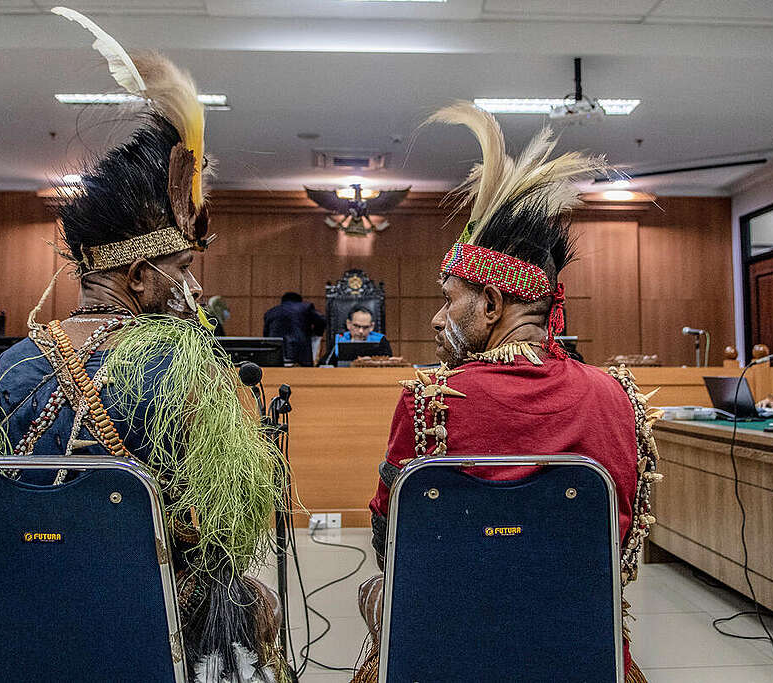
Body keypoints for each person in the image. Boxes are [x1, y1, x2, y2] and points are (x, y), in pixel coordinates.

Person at [0, 10, 289, 682]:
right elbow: (228, 522)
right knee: (256, 607)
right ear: (137, 274)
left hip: (13, 626)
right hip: (139, 630)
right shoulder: (190, 368)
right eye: (182, 270)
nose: (191, 286)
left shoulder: (3, 368)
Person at [351, 104, 661, 683]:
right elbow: (620, 549)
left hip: (449, 647)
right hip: (579, 646)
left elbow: (392, 539)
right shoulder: (618, 397)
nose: (440, 318)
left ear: (493, 305)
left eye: (451, 299)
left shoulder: (431, 401)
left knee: (374, 592)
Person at [262, 292, 326, 366]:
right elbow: (322, 321)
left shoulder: (271, 312)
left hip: (276, 353)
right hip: (300, 351)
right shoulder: (306, 307)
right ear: (299, 301)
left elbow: (266, 337)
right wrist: (316, 334)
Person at [323, 305, 393, 364]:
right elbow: (325, 364)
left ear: (372, 327)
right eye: (356, 326)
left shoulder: (380, 340)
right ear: (348, 324)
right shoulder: (339, 339)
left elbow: (388, 365)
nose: (361, 331)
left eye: (365, 327)